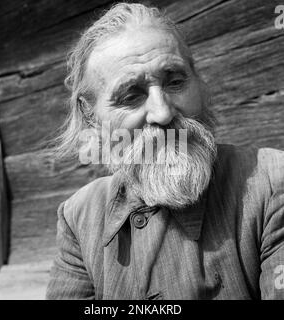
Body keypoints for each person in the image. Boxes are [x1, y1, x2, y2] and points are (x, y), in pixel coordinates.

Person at [46, 2, 284, 299]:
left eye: (175, 81)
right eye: (131, 94)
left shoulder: (272, 184)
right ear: (91, 115)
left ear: (198, 81)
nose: (162, 112)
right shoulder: (80, 217)